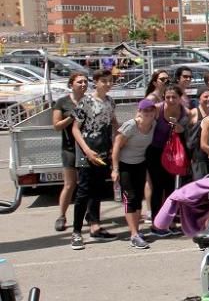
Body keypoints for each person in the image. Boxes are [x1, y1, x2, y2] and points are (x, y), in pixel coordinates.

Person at [69, 69, 118, 250]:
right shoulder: (86, 102)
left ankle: (95, 226)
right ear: (96, 82)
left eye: (110, 81)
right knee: (83, 191)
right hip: (87, 151)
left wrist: (115, 142)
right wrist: (87, 150)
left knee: (97, 190)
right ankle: (76, 232)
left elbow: (112, 122)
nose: (107, 84)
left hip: (103, 151)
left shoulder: (110, 102)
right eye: (104, 81)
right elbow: (75, 128)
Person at [111, 99, 158, 249]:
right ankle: (133, 235)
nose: (148, 113)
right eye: (145, 111)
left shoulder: (153, 125)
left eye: (151, 110)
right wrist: (115, 169)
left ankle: (136, 231)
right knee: (129, 198)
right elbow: (116, 147)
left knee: (138, 198)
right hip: (125, 165)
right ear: (139, 111)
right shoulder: (131, 126)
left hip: (140, 163)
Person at [147, 85, 189, 236]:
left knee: (170, 188)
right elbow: (142, 121)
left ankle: (169, 222)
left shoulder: (185, 112)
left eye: (174, 97)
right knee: (158, 188)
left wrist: (180, 129)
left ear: (180, 98)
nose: (170, 100)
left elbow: (188, 132)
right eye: (167, 97)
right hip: (155, 151)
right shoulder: (157, 109)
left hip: (172, 153)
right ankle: (156, 224)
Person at [53, 72, 88, 233]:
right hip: (69, 148)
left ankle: (89, 215)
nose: (83, 84)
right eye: (79, 82)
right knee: (70, 184)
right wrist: (72, 117)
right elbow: (57, 125)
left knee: (86, 185)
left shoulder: (90, 101)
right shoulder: (62, 102)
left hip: (87, 148)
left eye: (85, 82)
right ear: (71, 84)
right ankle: (61, 216)